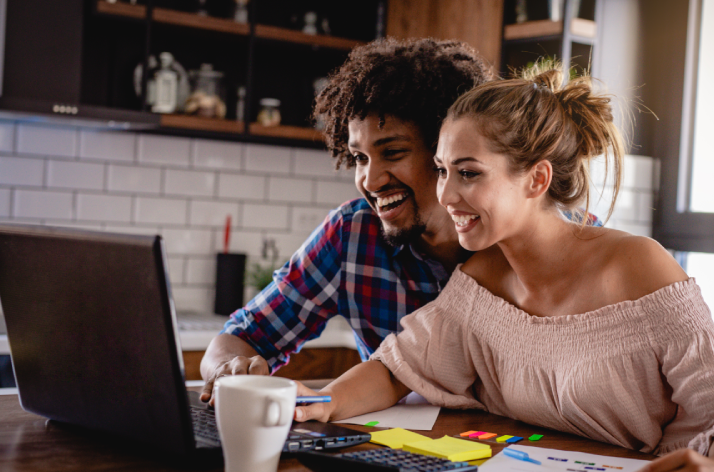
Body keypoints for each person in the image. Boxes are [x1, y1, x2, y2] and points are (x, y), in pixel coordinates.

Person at [293, 65, 714, 472]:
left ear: (537, 179)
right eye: (443, 170)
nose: (445, 194)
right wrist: (325, 401)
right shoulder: (480, 282)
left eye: (468, 173)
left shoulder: (639, 268)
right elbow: (396, 370)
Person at [199, 38, 601, 404]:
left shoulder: (553, 241)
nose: (369, 181)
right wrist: (228, 369)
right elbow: (243, 335)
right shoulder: (352, 235)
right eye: (359, 158)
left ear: (446, 149)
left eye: (392, 152)